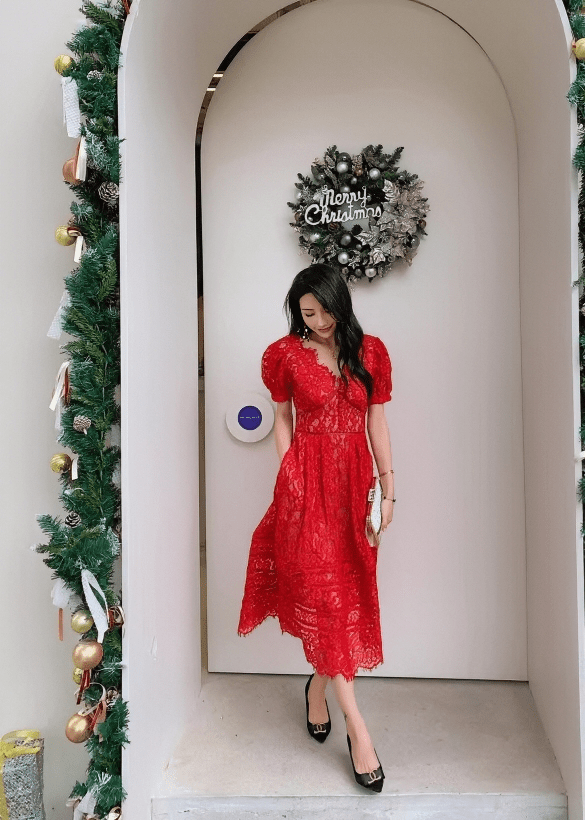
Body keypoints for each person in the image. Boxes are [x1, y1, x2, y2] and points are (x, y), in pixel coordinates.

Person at [237, 263, 394, 792]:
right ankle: (359, 730)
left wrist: (389, 488)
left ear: (340, 303)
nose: (319, 322)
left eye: (326, 311)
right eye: (308, 314)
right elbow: (282, 419)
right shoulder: (284, 355)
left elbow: (376, 421)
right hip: (307, 490)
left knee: (345, 601)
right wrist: (290, 478)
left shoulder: (370, 352)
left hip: (355, 493)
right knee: (328, 603)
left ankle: (316, 689)